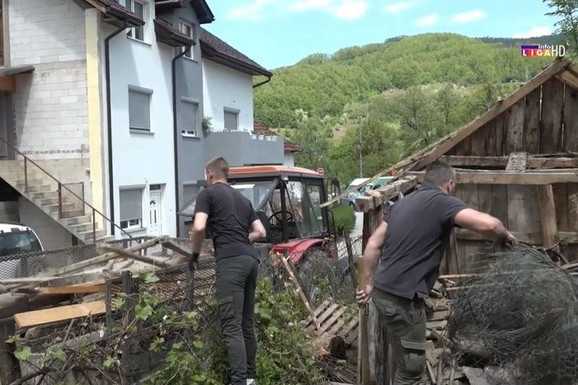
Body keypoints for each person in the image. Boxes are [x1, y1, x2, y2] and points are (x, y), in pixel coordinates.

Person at [356, 161, 515, 385]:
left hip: (383, 294)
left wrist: (368, 283)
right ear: (449, 184)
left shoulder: (402, 204)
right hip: (402, 301)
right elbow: (489, 225)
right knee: (411, 371)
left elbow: (373, 244)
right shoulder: (442, 203)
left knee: (403, 360)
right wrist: (505, 237)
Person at [190, 157, 267, 385]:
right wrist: (243, 238)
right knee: (246, 323)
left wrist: (194, 255)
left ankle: (238, 381)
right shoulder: (242, 199)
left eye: (206, 175)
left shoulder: (207, 194)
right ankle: (250, 377)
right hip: (251, 260)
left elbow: (199, 226)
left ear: (209, 174)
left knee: (232, 326)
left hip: (231, 262)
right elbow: (260, 232)